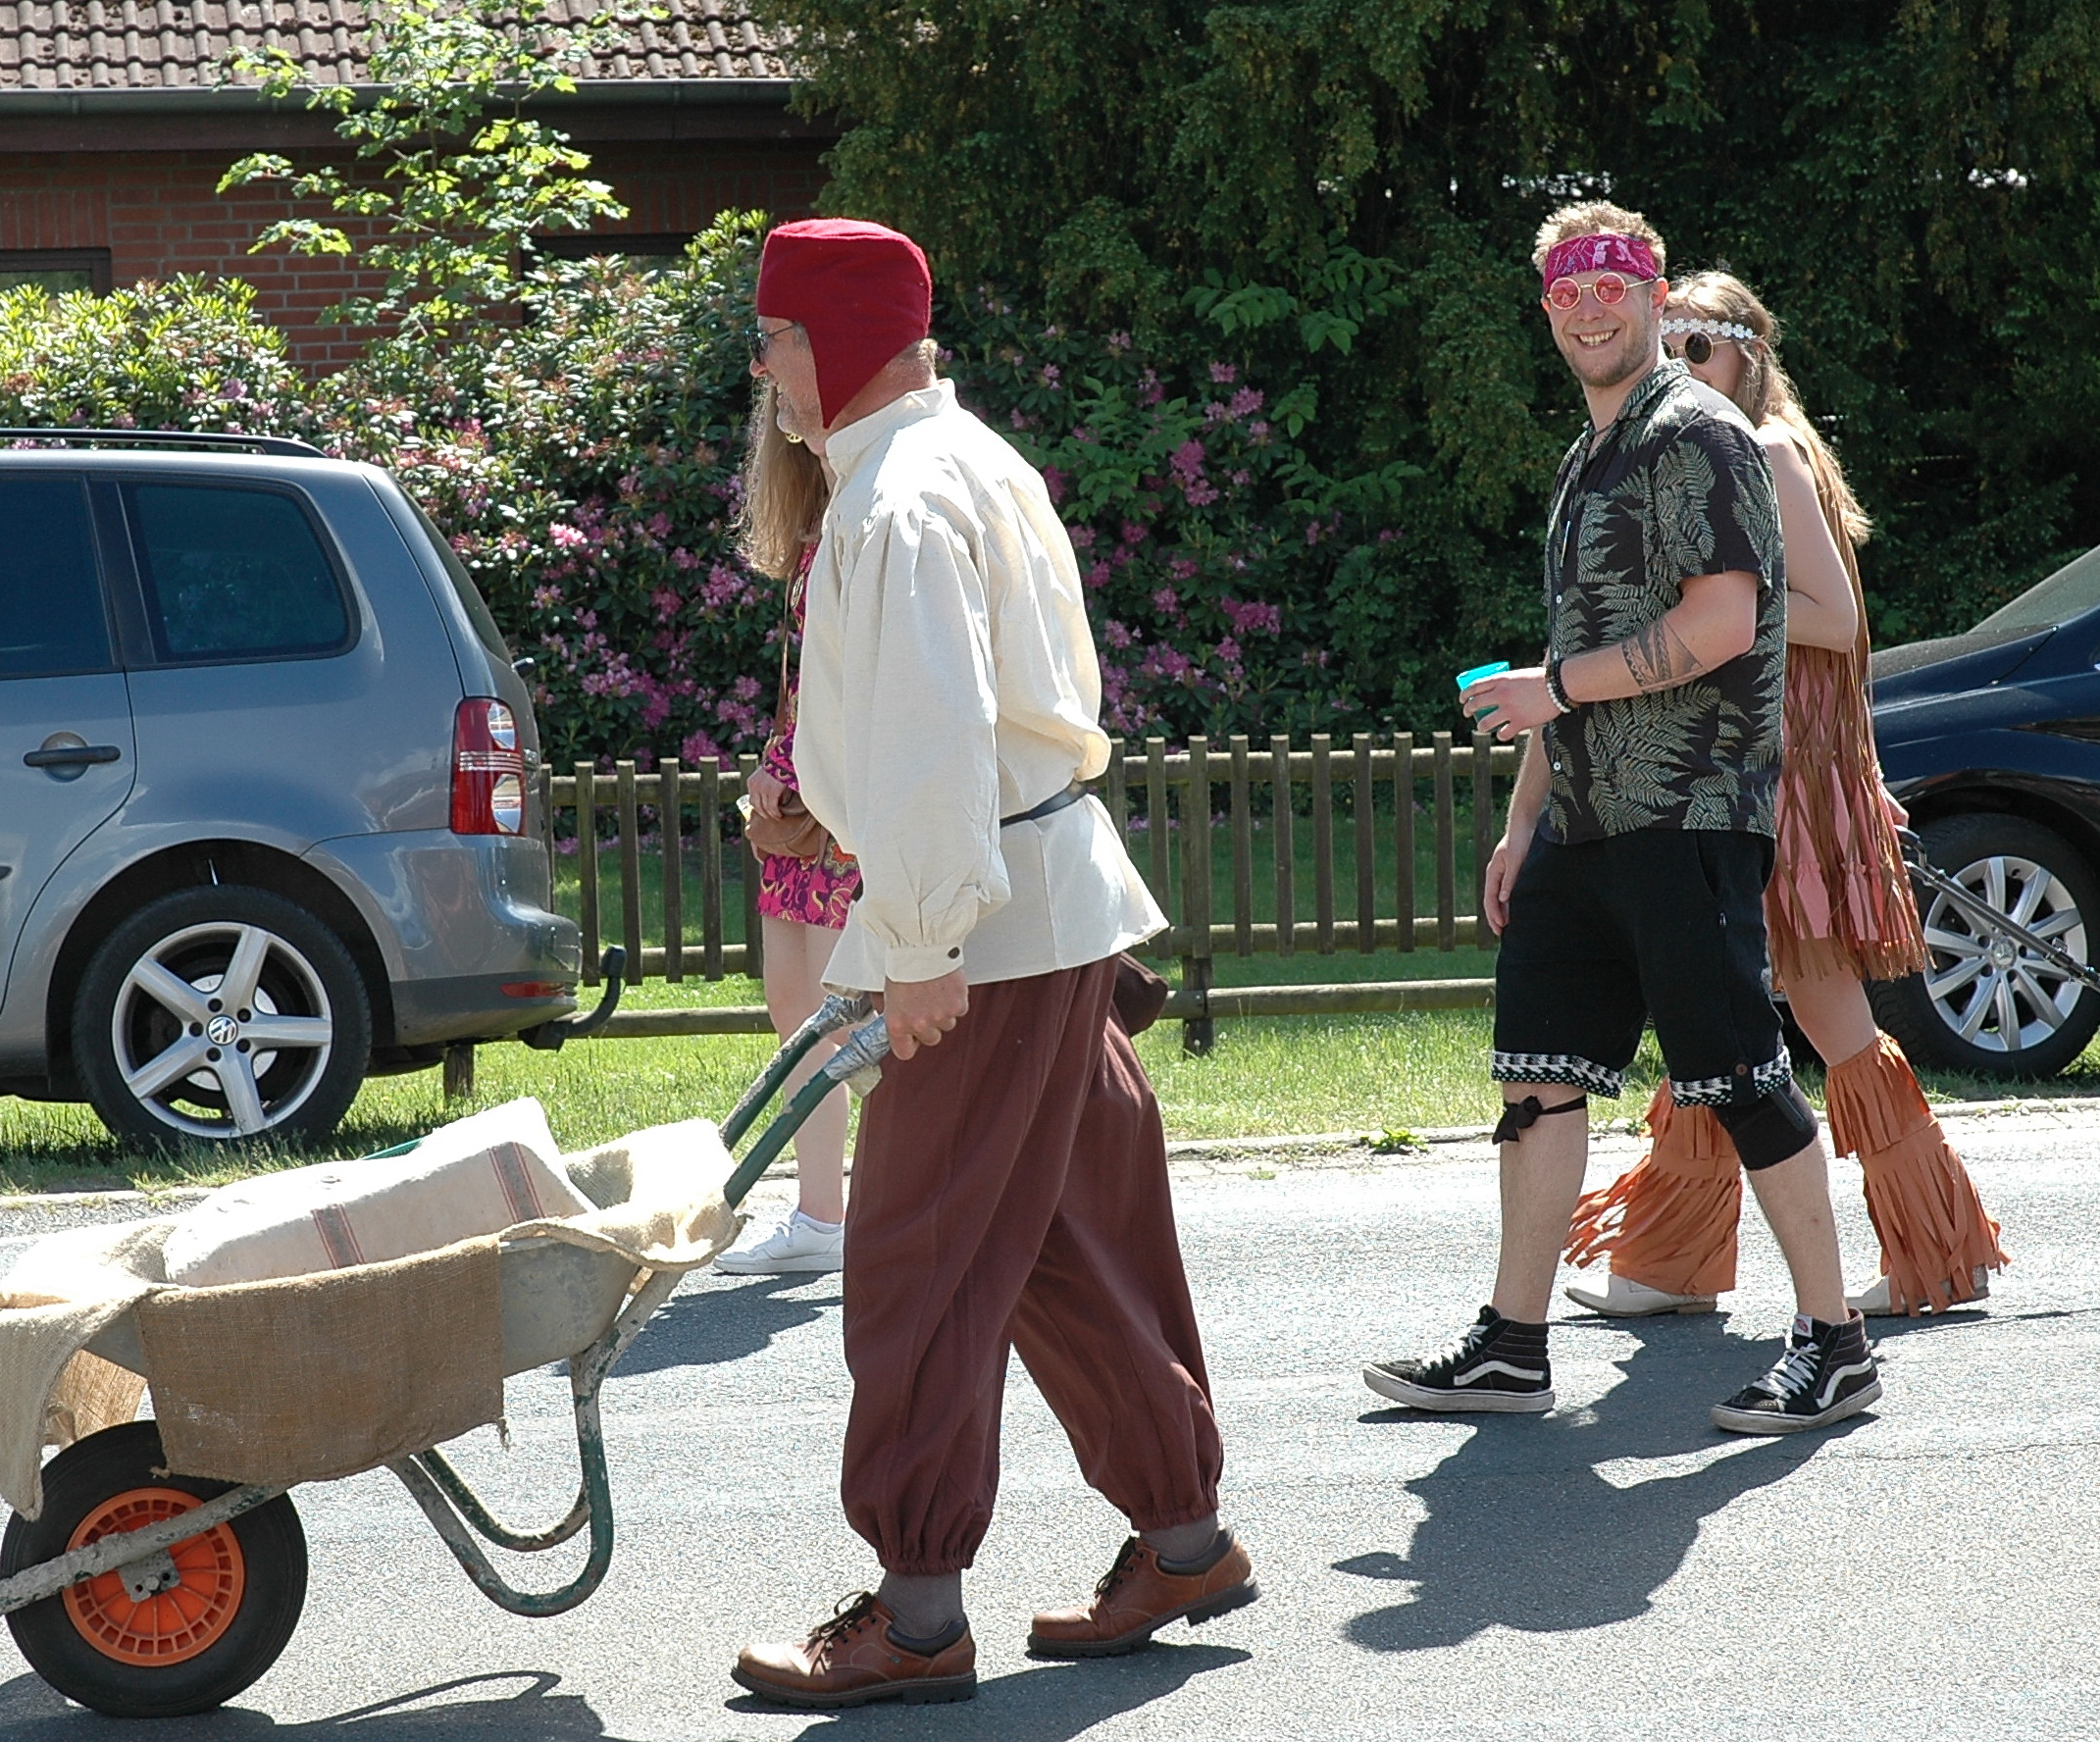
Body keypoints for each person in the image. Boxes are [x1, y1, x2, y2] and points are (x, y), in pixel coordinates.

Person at [727, 218, 1251, 1711]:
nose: (764, 371)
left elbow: (937, 742)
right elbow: (947, 730)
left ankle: (914, 1620)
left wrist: (919, 943)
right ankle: (1184, 1540)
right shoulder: (958, 459)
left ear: (831, 338)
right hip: (1042, 907)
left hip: (986, 930)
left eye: (773, 339)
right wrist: (840, 818)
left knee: (919, 1262)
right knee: (1063, 1245)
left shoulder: (896, 498)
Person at [1359, 203, 1881, 1436]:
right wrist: (1522, 823)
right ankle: (1511, 1345)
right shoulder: (1591, 453)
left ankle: (1836, 1344)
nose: (1589, 309)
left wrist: (1554, 693)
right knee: (1537, 1076)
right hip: (1585, 820)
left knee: (1739, 1076)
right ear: (1548, 311)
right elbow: (1574, 650)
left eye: (1612, 288)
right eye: (1566, 292)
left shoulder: (1697, 434)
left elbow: (1721, 623)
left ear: (1652, 298)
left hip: (1687, 809)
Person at [1562, 271, 2008, 1320]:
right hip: (1761, 764)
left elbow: (1833, 619)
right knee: (1713, 1003)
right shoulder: (1719, 451)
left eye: (1698, 346)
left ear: (1745, 354)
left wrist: (1703, 610)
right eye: (1667, 345)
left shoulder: (1761, 449)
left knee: (1815, 1013)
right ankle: (1671, 1263)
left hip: (1782, 776)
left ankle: (1938, 1252)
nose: (1679, 366)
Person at [716, 380, 859, 1275]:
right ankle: (822, 1218)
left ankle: (889, 1213)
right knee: (797, 1010)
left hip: (846, 802)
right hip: (808, 795)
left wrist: (794, 766)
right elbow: (813, 679)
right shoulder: (822, 523)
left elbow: (861, 682)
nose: (782, 422)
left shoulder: (868, 514)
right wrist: (780, 760)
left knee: (851, 1018)